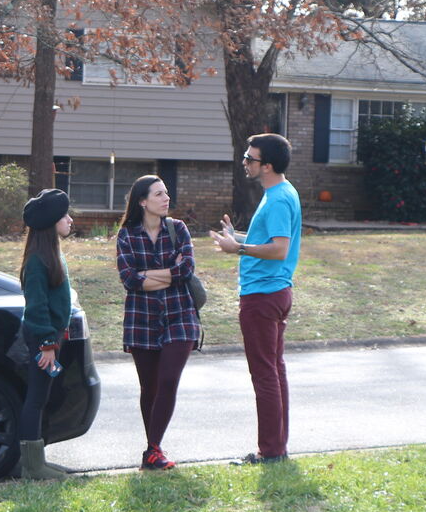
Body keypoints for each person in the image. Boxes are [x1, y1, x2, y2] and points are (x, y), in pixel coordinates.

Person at [210, 133, 302, 464]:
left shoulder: (277, 199)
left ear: (268, 165)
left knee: (264, 374)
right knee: (274, 371)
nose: (245, 163)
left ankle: (271, 451)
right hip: (274, 292)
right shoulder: (279, 192)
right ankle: (277, 447)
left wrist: (239, 248)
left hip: (263, 296)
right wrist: (237, 237)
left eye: (250, 159)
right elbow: (270, 239)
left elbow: (279, 249)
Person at [115, 174, 201, 470]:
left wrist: (149, 276)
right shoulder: (127, 234)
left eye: (166, 193)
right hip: (141, 319)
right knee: (149, 387)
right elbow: (129, 279)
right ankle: (153, 450)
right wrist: (168, 272)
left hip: (181, 315)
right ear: (142, 201)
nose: (166, 199)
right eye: (158, 194)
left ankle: (153, 449)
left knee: (167, 380)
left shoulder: (178, 229)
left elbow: (186, 270)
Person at [16, 188, 75, 480]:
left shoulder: (51, 255)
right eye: (64, 216)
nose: (70, 220)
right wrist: (47, 344)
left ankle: (37, 459)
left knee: (45, 396)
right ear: (51, 222)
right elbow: (36, 306)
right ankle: (31, 466)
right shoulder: (38, 261)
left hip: (53, 337)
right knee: (36, 398)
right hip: (44, 339)